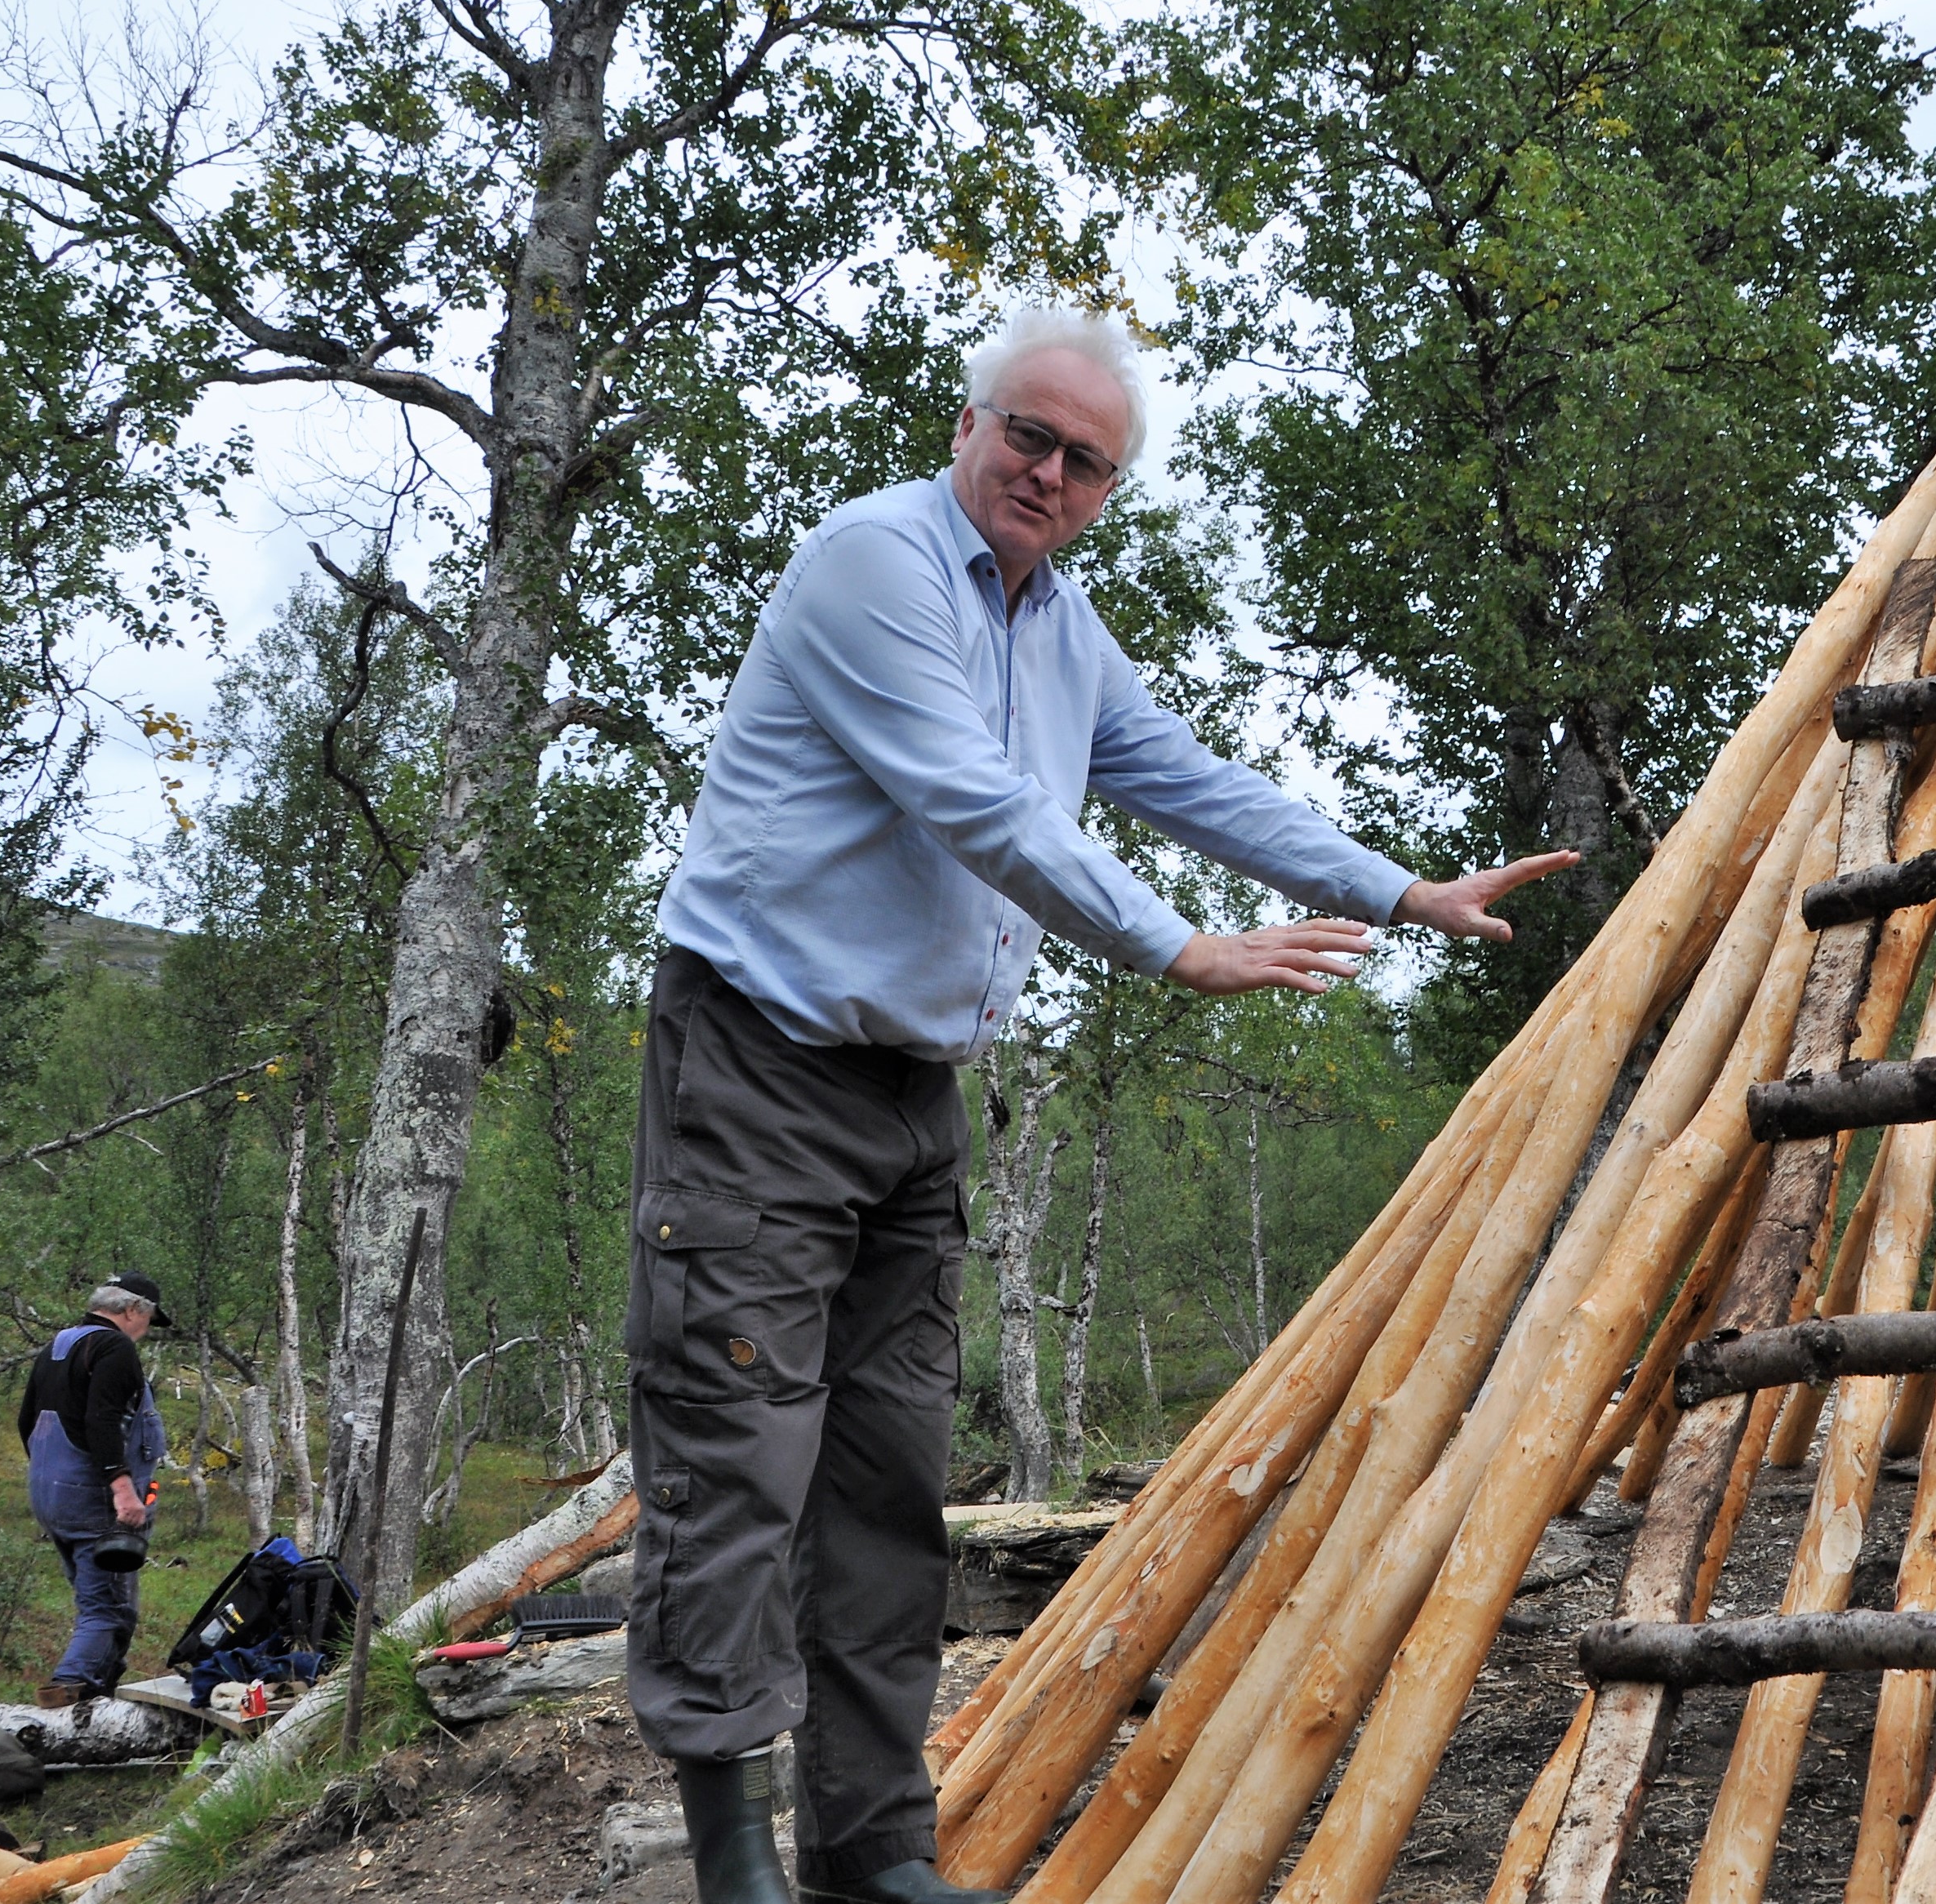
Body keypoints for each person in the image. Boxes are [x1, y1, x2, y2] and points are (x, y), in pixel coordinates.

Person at [635, 307, 1575, 1904]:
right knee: (736, 1464)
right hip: (757, 1069)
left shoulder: (1057, 625)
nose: (1049, 475)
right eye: (1029, 438)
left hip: (911, 1093)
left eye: (1085, 463)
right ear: (967, 426)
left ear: (1106, 487)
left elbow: (1183, 774)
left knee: (883, 1486)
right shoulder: (874, 566)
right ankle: (733, 1864)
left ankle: (870, 1858)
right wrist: (1178, 946)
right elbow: (972, 800)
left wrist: (1398, 888)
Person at [17, 1273, 172, 1710]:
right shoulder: (114, 1348)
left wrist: (54, 1481)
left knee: (94, 1601)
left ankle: (99, 1698)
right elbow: (102, 1421)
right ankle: (68, 1699)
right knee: (108, 1608)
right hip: (95, 1503)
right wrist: (123, 1491)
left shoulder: (59, 1344)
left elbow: (27, 1422)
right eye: (147, 1320)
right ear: (131, 1311)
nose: (144, 1331)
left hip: (52, 1498)